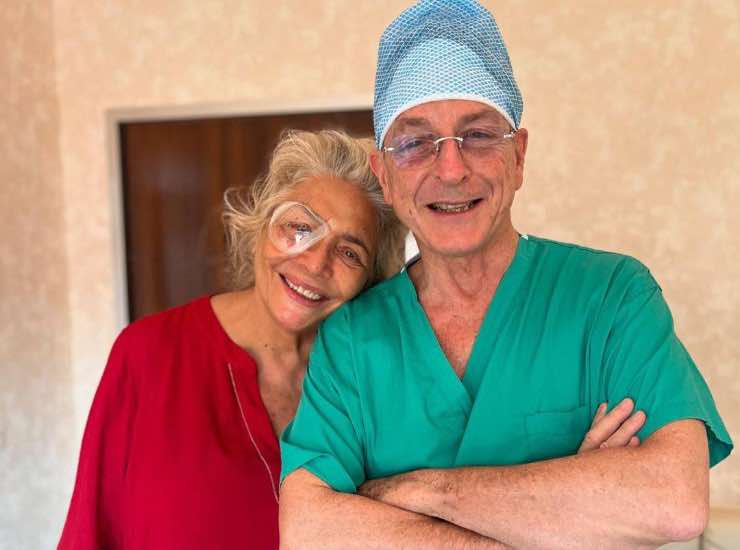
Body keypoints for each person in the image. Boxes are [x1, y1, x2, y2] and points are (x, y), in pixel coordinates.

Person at [279, 1, 733, 548]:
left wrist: (418, 492)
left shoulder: (610, 297)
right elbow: (308, 528)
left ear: (518, 157)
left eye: (478, 135)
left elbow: (673, 499)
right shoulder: (354, 339)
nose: (451, 169)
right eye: (416, 144)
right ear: (386, 176)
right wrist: (564, 506)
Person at [57, 129, 407, 549]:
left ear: (369, 280)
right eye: (299, 228)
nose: (316, 264)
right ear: (260, 226)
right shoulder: (148, 354)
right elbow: (89, 532)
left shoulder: (373, 380)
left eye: (349, 252)